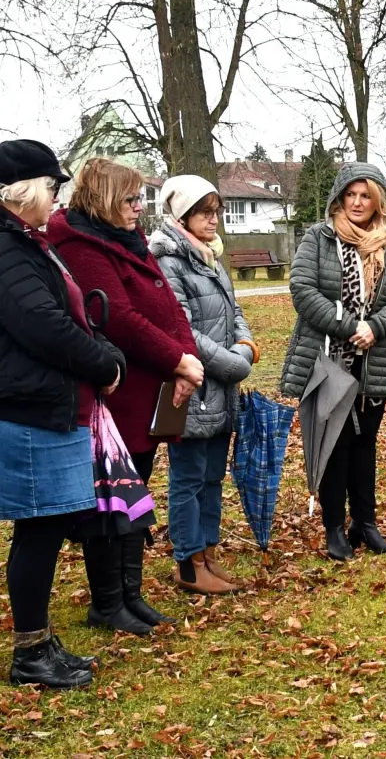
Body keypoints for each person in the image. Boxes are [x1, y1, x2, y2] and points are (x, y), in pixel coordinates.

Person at [47, 158, 200, 632]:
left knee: (136, 495)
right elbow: (119, 319)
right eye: (131, 199)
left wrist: (185, 362)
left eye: (140, 198)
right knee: (111, 500)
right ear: (105, 200)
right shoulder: (80, 244)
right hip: (118, 394)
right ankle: (108, 601)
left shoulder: (128, 239)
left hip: (154, 389)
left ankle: (131, 594)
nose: (139, 207)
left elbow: (169, 306)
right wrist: (178, 361)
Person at [0, 141, 126, 688]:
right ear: (21, 189)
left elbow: (67, 311)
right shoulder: (6, 249)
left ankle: (39, 640)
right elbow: (42, 324)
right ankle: (30, 652)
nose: (57, 197)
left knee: (44, 527)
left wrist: (102, 351)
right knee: (39, 528)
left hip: (47, 405)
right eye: (52, 187)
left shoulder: (26, 242)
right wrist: (102, 362)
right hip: (30, 410)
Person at [280, 164, 386, 561]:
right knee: (335, 443)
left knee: (364, 442)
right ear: (339, 198)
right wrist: (348, 325)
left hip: (375, 358)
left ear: (378, 200)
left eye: (366, 195)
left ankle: (365, 523)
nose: (357, 203)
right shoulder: (318, 239)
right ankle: (334, 528)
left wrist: (375, 327)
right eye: (351, 195)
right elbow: (302, 290)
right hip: (328, 358)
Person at [150, 176, 257, 593]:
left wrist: (246, 347)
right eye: (204, 212)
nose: (214, 220)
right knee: (189, 477)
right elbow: (184, 330)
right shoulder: (170, 260)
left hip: (222, 387)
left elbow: (234, 312)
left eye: (216, 212)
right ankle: (188, 562)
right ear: (182, 215)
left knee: (213, 476)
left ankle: (208, 554)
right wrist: (234, 363)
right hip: (192, 389)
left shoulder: (211, 256)